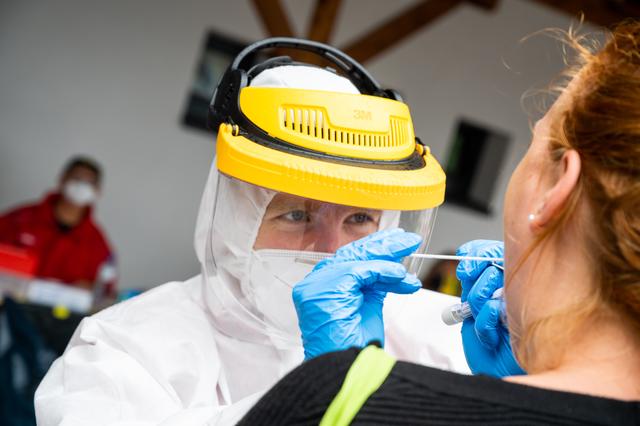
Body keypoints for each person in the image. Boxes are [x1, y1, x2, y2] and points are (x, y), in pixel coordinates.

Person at [34, 39, 468, 425]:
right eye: (297, 215)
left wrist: (515, 367)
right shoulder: (122, 348)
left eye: (359, 219)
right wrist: (316, 394)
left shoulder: (433, 338)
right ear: (234, 220)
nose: (332, 251)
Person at [239, 22, 640, 425]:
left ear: (557, 188)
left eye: (535, 141)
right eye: (298, 215)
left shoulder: (339, 401)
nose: (331, 245)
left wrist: (336, 401)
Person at [0, 156, 117, 299]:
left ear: (97, 191)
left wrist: (90, 289)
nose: (81, 187)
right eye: (76, 179)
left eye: (89, 183)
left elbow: (106, 292)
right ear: (62, 180)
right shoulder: (21, 219)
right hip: (10, 305)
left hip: (63, 317)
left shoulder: (98, 244)